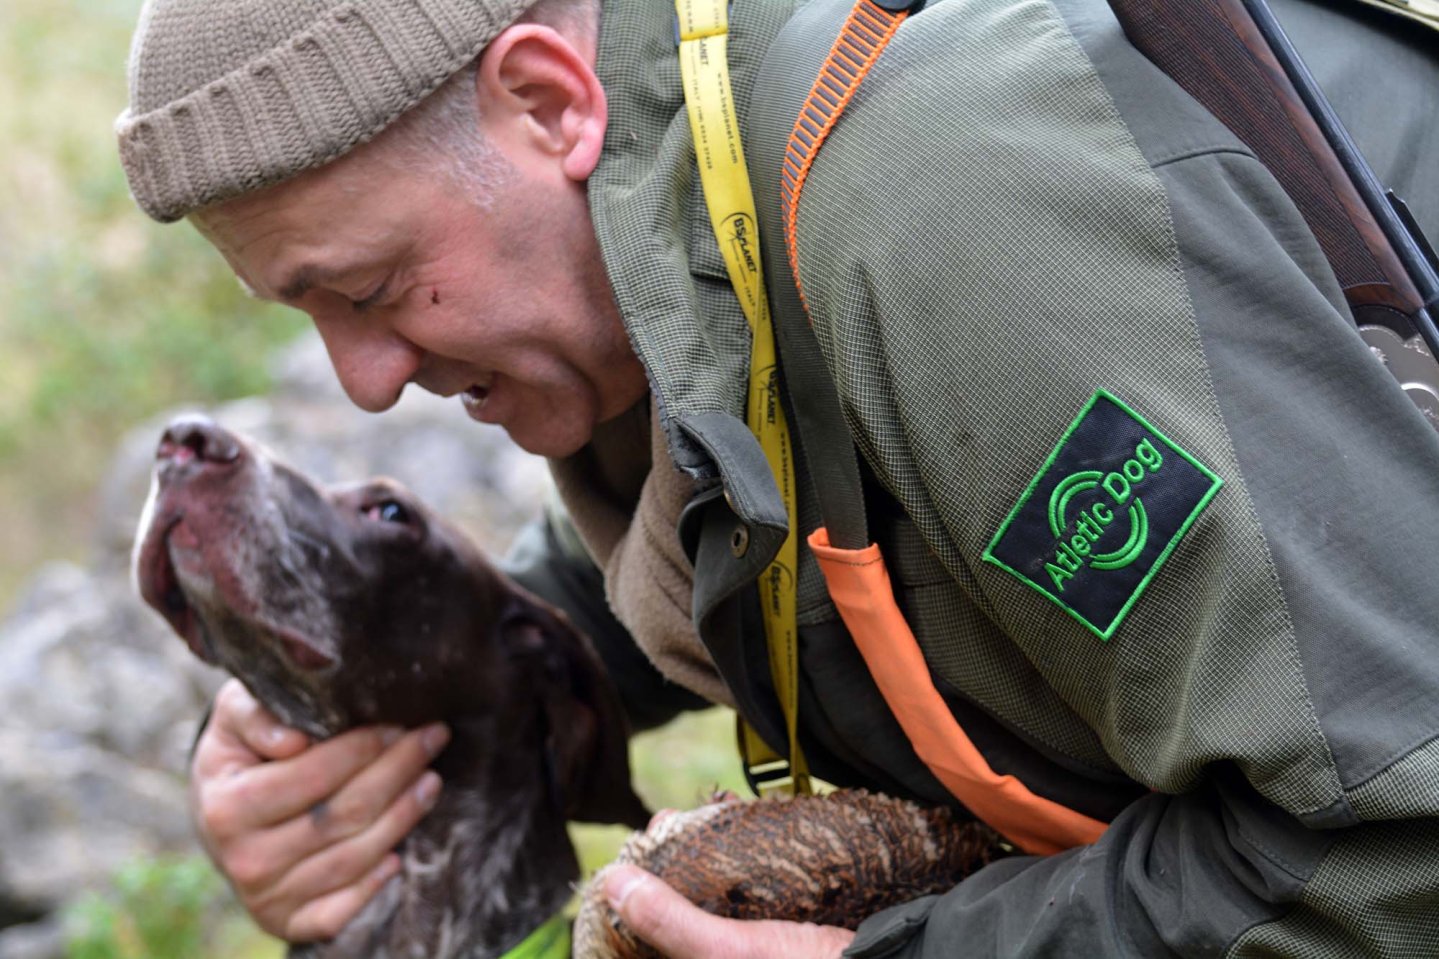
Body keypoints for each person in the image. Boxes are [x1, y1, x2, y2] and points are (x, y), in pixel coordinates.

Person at [115, 0, 1439, 954]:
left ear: (549, 103)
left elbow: (1400, 830)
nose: (360, 379)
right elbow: (701, 512)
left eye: (369, 288)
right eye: (308, 312)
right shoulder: (672, 218)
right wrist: (355, 743)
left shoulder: (930, 202)